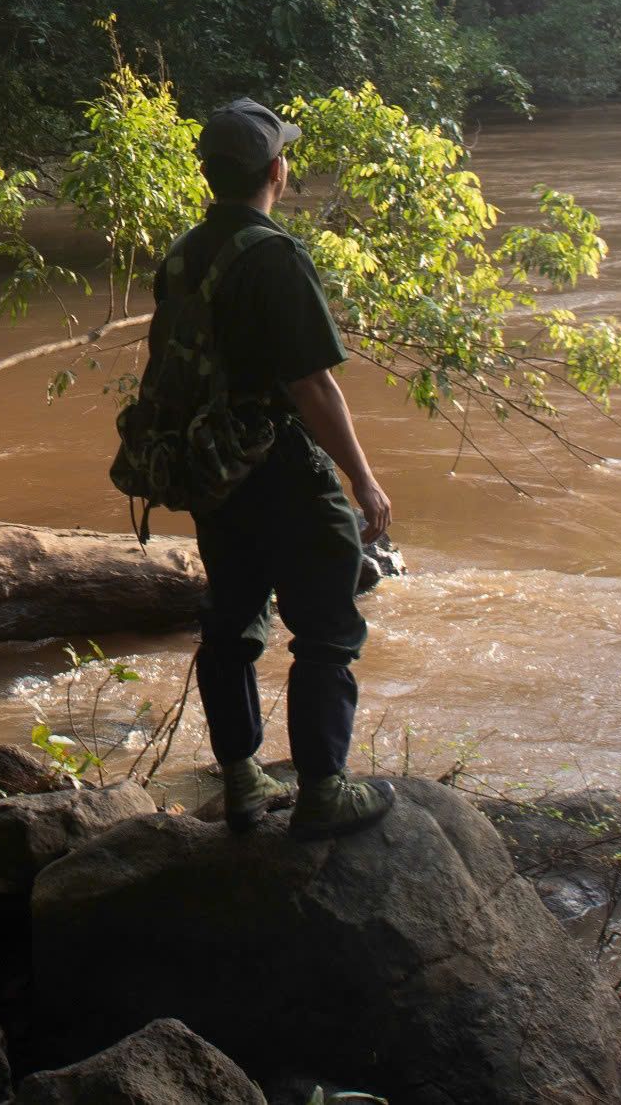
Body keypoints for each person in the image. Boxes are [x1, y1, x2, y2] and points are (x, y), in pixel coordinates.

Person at [152, 97, 397, 840]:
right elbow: (313, 384)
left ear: (208, 175)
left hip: (216, 470)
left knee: (231, 621)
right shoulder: (275, 256)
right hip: (284, 467)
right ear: (276, 173)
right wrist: (363, 480)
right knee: (326, 630)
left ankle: (241, 780)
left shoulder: (181, 256)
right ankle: (323, 791)